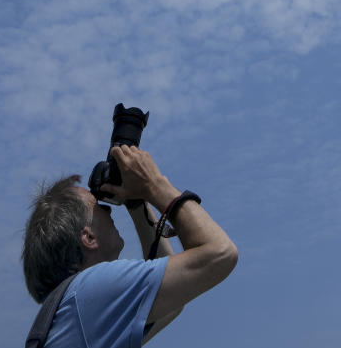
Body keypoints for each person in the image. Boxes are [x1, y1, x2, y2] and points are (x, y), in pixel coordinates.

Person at [22, 143, 238, 346]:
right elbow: (220, 254)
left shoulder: (74, 310)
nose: (109, 210)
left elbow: (171, 306)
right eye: (99, 208)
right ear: (88, 238)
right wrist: (154, 185)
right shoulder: (91, 290)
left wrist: (136, 202)